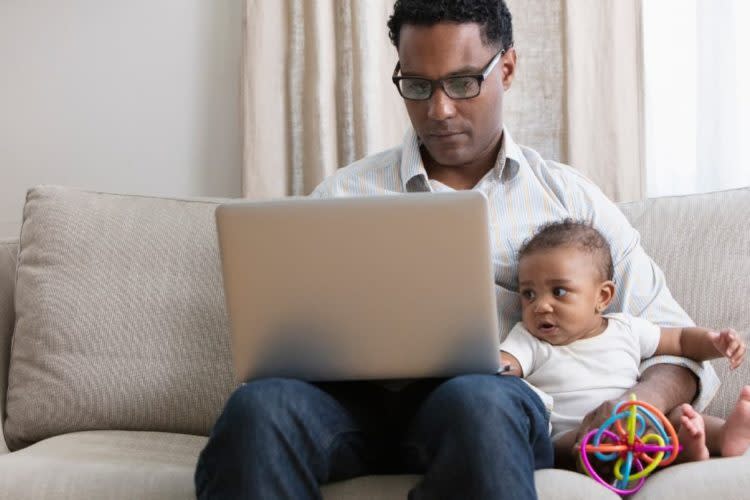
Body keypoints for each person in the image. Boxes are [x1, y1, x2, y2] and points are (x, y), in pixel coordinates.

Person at [195, 1, 719, 498]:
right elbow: (283, 330)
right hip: (352, 408)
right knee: (257, 409)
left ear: (507, 68)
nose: (438, 110)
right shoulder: (342, 194)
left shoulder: (569, 200)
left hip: (484, 405)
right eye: (417, 85)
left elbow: (675, 341)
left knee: (479, 402)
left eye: (463, 83)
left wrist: (640, 402)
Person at [498, 220, 750, 471]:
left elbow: (681, 340)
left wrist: (714, 342)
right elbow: (502, 363)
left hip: (635, 424)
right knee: (567, 446)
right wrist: (495, 364)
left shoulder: (625, 328)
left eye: (559, 292)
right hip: (575, 435)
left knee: (677, 418)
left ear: (603, 296)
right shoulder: (529, 340)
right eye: (529, 294)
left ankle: (723, 436)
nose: (540, 306)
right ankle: (675, 452)